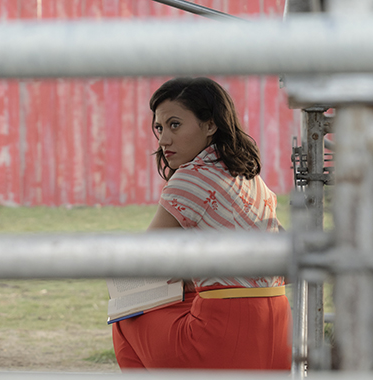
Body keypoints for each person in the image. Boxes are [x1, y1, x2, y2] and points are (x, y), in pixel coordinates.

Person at [112, 77, 291, 370]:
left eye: (175, 125)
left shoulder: (188, 178)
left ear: (210, 125)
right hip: (279, 333)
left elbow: (142, 264)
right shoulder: (250, 178)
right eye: (159, 128)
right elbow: (288, 267)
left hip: (225, 335)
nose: (163, 140)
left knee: (127, 315)